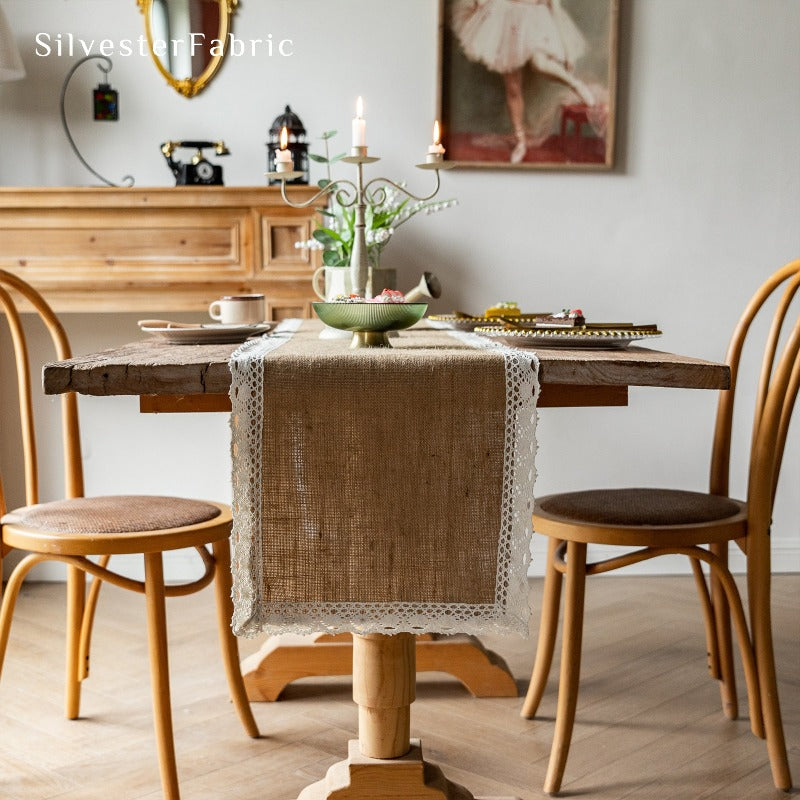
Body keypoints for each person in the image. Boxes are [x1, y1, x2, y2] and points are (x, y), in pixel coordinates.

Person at [451, 0, 595, 163]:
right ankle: (520, 141)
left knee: (540, 63)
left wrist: (568, 52)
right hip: (506, 20)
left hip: (534, 23)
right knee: (513, 87)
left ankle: (575, 84)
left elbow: (555, 9)